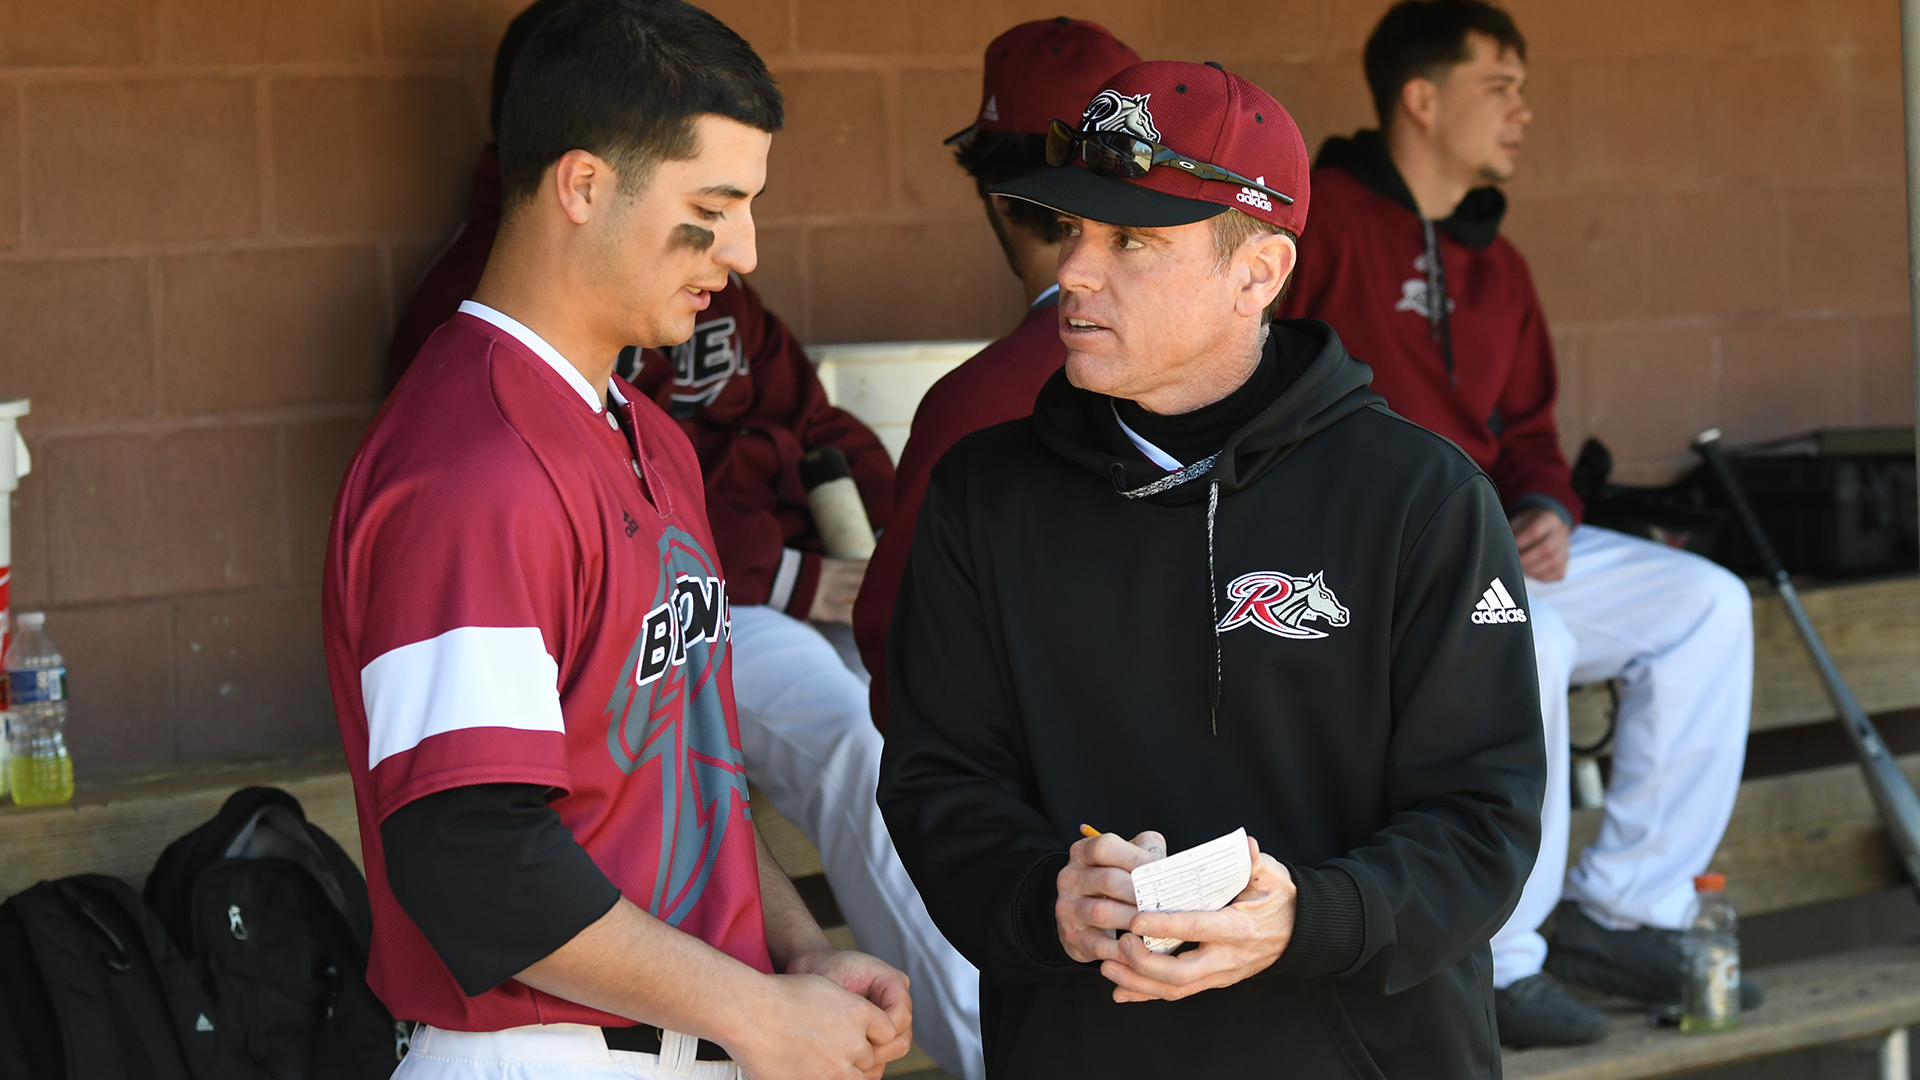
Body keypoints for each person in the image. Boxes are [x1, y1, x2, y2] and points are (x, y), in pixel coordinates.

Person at [877, 59, 1546, 1078]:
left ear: (1258, 274)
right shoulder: (982, 495)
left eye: (1132, 240)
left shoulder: (1422, 497)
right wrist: (1045, 896)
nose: (1077, 271)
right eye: (1072, 230)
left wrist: (1307, 918)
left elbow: (1482, 821)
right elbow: (940, 780)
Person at [383, 5, 985, 1076]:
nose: (743, 251)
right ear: (582, 185)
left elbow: (681, 765)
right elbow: (476, 858)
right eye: (712, 209)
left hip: (694, 1033)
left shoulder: (646, 433)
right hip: (543, 1052)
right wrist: (757, 1012)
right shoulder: (469, 462)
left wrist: (792, 953)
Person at [1278, 0, 1758, 1048]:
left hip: (1494, 533)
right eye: (1499, 87)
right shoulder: (1323, 224)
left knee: (1706, 605)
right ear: (1421, 98)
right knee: (1528, 639)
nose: (1523, 112)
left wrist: (1548, 507)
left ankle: (1625, 910)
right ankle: (1500, 956)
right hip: (1373, 556)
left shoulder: (1499, 262)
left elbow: (1531, 431)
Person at [853, 17, 1140, 729]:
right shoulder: (1242, 356)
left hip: (1047, 788)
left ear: (1000, 196)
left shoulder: (982, 396)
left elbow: (903, 645)